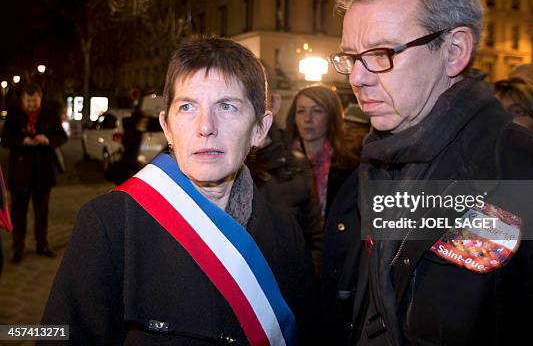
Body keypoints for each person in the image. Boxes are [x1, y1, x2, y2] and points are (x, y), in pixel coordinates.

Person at [328, 0, 533, 345]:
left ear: (455, 50)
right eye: (351, 58)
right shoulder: (377, 163)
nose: (357, 79)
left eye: (381, 54)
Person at [42, 36, 313, 344]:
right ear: (167, 126)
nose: (205, 126)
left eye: (226, 106)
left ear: (260, 128)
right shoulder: (109, 225)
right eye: (187, 107)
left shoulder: (286, 235)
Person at [245, 82, 323, 276]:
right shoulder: (206, 165)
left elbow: (315, 238)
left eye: (255, 95)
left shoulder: (296, 164)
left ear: (274, 103)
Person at [1, 83, 67, 263]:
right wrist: (23, 141)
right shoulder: (14, 114)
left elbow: (62, 136)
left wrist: (48, 139)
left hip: (43, 170)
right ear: (22, 99)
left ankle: (42, 244)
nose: (31, 105)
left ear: (40, 98)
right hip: (20, 171)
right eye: (28, 101)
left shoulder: (50, 113)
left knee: (42, 212)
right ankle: (18, 248)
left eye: (34, 101)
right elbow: (5, 139)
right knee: (18, 213)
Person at [285, 85, 358, 220]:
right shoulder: (279, 164)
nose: (308, 119)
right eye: (301, 111)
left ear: (331, 116)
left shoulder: (352, 167)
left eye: (317, 111)